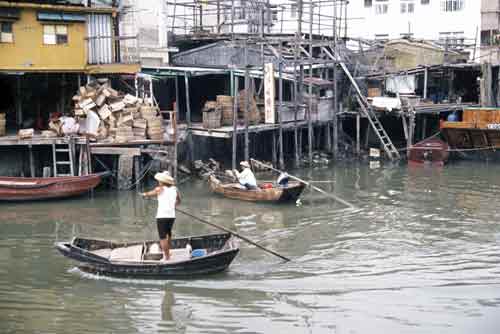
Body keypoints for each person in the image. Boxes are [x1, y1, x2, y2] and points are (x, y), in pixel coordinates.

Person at [141, 171, 181, 261]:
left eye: (159, 180)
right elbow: (179, 201)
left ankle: (166, 257)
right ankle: (168, 252)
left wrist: (144, 194)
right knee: (168, 235)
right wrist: (173, 206)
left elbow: (150, 193)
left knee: (162, 238)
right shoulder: (175, 189)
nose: (158, 181)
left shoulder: (160, 189)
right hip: (171, 216)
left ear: (162, 181)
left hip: (162, 216)